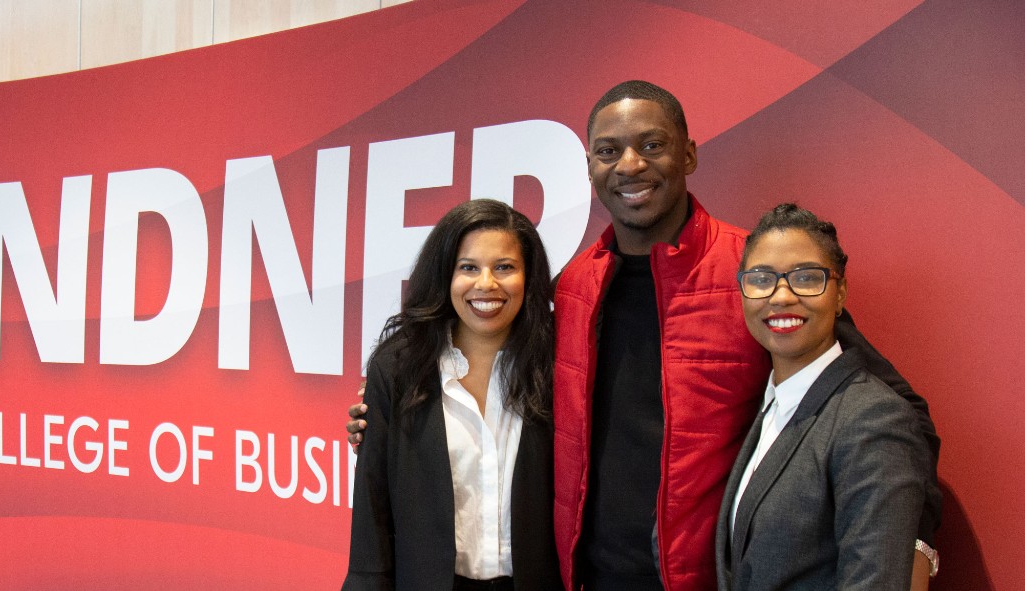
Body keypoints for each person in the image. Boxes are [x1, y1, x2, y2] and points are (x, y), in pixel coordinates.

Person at [350, 80, 940, 590]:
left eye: (651, 145)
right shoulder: (575, 286)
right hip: (588, 578)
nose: (629, 165)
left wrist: (912, 542)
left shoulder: (755, 275)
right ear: (589, 167)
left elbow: (891, 412)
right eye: (608, 151)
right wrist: (386, 425)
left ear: (688, 154)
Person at [343, 199, 564, 590]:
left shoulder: (560, 362)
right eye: (468, 267)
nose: (486, 284)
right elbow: (373, 505)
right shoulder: (398, 368)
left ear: (528, 277)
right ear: (445, 274)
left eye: (504, 267)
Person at [716, 203, 928, 590]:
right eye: (761, 279)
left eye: (806, 277)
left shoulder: (874, 420)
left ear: (840, 292)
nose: (780, 296)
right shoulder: (771, 408)